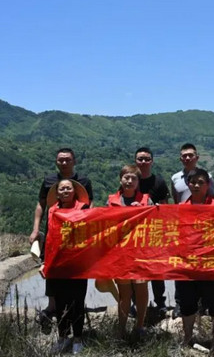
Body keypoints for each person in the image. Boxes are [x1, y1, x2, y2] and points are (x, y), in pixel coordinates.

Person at [29, 148, 93, 333]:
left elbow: (90, 205)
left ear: (74, 161)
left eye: (67, 160)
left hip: (76, 240)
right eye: (61, 160)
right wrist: (36, 229)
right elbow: (41, 205)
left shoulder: (84, 181)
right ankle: (53, 308)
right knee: (53, 275)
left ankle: (75, 320)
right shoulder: (49, 181)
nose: (64, 163)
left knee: (75, 281)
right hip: (55, 237)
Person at [178, 168, 214, 355]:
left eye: (201, 182)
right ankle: (187, 339)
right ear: (188, 184)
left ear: (208, 185)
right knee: (187, 303)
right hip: (186, 264)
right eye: (193, 182)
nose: (196, 185)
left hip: (210, 264)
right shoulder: (181, 208)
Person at [44, 179, 91, 354]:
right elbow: (49, 237)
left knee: (77, 302)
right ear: (57, 193)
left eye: (68, 188)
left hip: (78, 265)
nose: (65, 191)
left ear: (74, 191)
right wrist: (44, 262)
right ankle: (63, 337)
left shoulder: (84, 209)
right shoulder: (52, 211)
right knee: (60, 303)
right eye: (62, 189)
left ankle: (78, 339)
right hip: (57, 265)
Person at [107, 165, 153, 338]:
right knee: (124, 293)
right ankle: (121, 329)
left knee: (141, 291)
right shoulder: (111, 201)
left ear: (138, 182)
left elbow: (155, 223)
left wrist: (141, 211)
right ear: (120, 180)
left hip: (141, 254)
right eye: (126, 177)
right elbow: (105, 224)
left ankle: (140, 326)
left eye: (133, 178)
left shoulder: (146, 200)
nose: (129, 181)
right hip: (120, 254)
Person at [134, 147, 170, 314]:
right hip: (135, 233)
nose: (143, 162)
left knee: (156, 268)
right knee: (135, 268)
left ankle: (160, 302)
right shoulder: (131, 180)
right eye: (140, 159)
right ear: (135, 161)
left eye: (147, 159)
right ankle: (136, 302)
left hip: (154, 231)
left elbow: (165, 206)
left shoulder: (159, 182)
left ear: (152, 161)